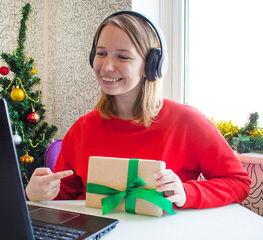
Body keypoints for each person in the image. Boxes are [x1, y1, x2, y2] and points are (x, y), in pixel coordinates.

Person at [25, 11, 251, 209]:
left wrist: (186, 193)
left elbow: (238, 182)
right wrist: (36, 194)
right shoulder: (83, 129)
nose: (107, 66)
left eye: (123, 56)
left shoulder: (187, 122)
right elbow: (67, 193)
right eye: (101, 53)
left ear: (151, 65)